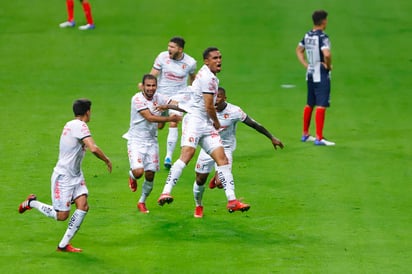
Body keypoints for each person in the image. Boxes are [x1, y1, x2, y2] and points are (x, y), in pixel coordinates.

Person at [156, 47, 251, 215]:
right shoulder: (208, 78)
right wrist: (216, 122)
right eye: (215, 58)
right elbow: (208, 105)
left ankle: (232, 201)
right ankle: (166, 191)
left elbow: (193, 97)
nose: (219, 60)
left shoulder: (207, 75)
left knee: (222, 159)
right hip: (195, 120)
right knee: (187, 155)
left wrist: (170, 105)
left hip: (204, 122)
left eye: (220, 57)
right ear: (206, 61)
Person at [18, 99, 112, 252]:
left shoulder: (70, 124)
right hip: (63, 177)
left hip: (76, 175)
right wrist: (106, 160)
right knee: (61, 216)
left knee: (83, 206)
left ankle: (63, 245)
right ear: (87, 112)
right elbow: (93, 148)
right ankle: (31, 203)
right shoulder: (80, 125)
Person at [192, 87, 284, 218]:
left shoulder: (234, 111)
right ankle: (198, 205)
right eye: (213, 97)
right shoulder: (205, 109)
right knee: (200, 180)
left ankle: (230, 198)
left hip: (225, 149)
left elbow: (253, 124)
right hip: (207, 149)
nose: (215, 100)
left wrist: (271, 137)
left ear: (225, 98)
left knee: (221, 182)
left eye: (218, 97)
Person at [124, 74, 181, 213]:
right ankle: (132, 176)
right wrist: (169, 118)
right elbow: (149, 117)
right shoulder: (137, 99)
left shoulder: (159, 97)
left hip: (151, 141)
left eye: (153, 85)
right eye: (148, 86)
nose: (151, 88)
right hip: (136, 141)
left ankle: (142, 202)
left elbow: (174, 102)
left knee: (150, 175)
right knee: (139, 172)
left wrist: (173, 106)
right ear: (143, 86)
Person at [148, 36, 197, 169]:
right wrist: (147, 86)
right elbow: (154, 73)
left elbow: (193, 78)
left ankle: (168, 157)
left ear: (180, 49)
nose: (169, 49)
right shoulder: (162, 57)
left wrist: (194, 95)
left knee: (174, 120)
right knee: (159, 125)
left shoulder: (190, 62)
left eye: (172, 47)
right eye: (168, 46)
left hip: (179, 96)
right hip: (161, 95)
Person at [296, 10, 335, 146]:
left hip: (310, 73)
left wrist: (306, 64)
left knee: (310, 103)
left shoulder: (308, 35)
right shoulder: (323, 37)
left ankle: (305, 134)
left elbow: (299, 50)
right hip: (321, 74)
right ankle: (319, 137)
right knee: (321, 104)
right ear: (323, 21)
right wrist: (328, 66)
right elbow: (327, 54)